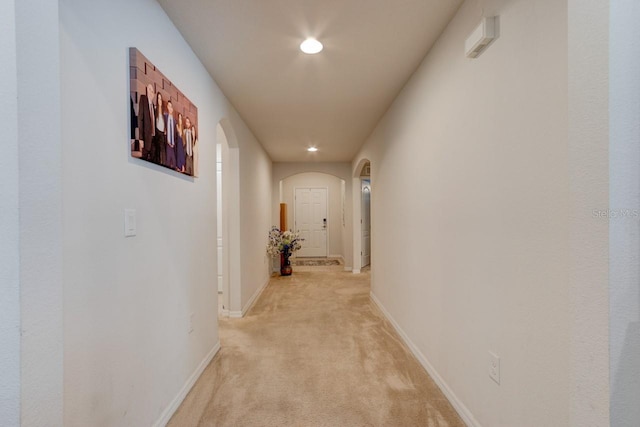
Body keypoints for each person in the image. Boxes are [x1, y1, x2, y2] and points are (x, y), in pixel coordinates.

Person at [138, 84, 155, 160]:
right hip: (145, 139)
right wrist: (141, 138)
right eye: (149, 89)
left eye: (152, 91)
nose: (151, 92)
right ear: (146, 90)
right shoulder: (143, 99)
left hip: (153, 140)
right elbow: (140, 119)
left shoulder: (154, 106)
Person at [153, 92, 166, 165]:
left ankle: (163, 164)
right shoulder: (155, 109)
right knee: (157, 150)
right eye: (158, 98)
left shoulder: (164, 112)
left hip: (162, 133)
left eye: (160, 99)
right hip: (157, 132)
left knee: (163, 150)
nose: (159, 100)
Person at [164, 100, 177, 169]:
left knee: (174, 163)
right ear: (167, 107)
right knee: (167, 163)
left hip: (173, 145)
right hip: (167, 144)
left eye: (171, 106)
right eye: (169, 106)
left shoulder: (175, 121)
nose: (170, 108)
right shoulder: (165, 117)